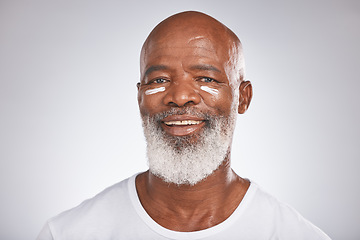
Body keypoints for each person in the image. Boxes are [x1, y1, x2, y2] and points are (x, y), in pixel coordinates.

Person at [37, 11, 331, 239]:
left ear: (243, 98)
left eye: (206, 78)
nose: (179, 97)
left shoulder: (292, 235)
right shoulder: (68, 233)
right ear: (140, 98)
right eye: (160, 80)